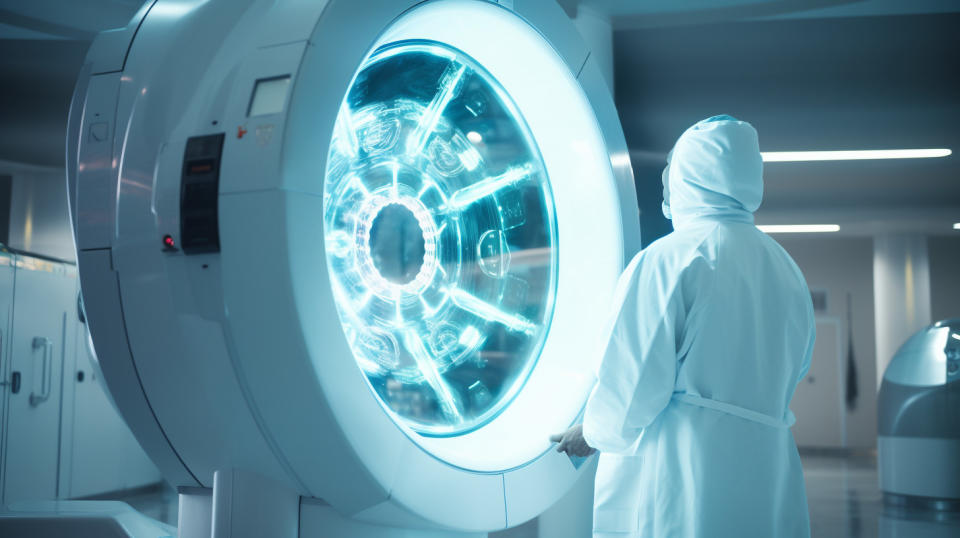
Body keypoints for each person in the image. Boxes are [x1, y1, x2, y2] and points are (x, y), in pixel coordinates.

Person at [551, 115, 814, 538]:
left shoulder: (671, 258)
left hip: (685, 472)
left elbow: (632, 382)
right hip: (769, 471)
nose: (666, 178)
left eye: (673, 167)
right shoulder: (786, 267)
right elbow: (796, 367)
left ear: (695, 173)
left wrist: (594, 431)